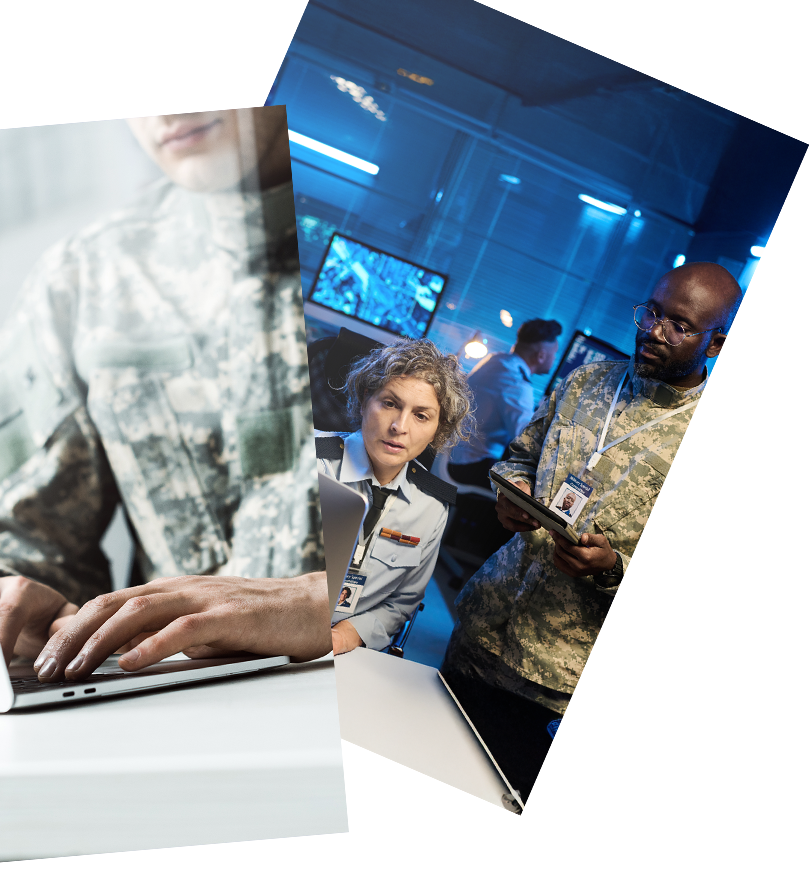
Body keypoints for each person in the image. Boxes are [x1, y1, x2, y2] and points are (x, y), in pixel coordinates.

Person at [0, 107, 334, 684]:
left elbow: (452, 542)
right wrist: (16, 596)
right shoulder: (90, 277)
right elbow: (13, 530)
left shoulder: (385, 277)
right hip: (174, 707)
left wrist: (323, 603)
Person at [442, 261, 743, 835]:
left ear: (719, 343)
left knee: (511, 832)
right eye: (652, 311)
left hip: (558, 686)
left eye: (680, 326)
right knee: (427, 801)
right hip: (480, 633)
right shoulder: (586, 382)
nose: (654, 330)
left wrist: (613, 570)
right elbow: (520, 456)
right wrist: (513, 493)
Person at [318, 339, 472, 656]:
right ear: (364, 400)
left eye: (421, 416)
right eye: (389, 403)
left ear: (437, 430)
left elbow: (402, 602)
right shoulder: (310, 460)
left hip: (348, 652)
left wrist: (346, 637)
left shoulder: (431, 505)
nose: (399, 427)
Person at [447, 318, 562, 487]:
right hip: (468, 464)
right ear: (541, 356)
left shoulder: (496, 360)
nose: (555, 359)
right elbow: (526, 439)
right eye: (555, 354)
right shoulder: (516, 382)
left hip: (452, 454)